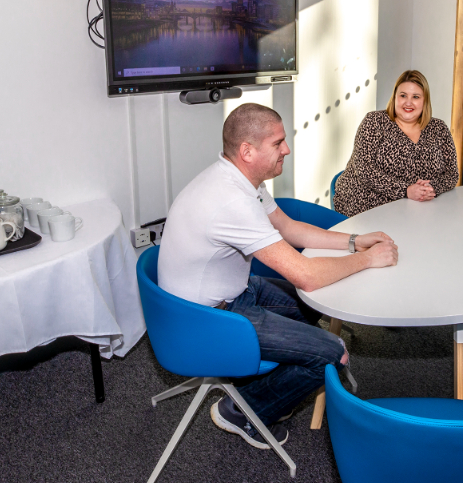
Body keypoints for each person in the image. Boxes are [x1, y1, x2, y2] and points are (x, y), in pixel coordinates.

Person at [158, 103, 398, 449]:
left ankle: (270, 384)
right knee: (333, 352)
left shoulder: (240, 178)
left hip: (228, 291)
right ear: (247, 151)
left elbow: (288, 228)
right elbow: (307, 275)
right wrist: (368, 260)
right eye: (278, 143)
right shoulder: (230, 201)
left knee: (312, 307)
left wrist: (354, 242)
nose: (286, 149)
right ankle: (242, 410)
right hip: (207, 319)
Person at [333, 70, 458, 217]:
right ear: (395, 97)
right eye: (403, 95)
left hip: (419, 208)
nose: (408, 102)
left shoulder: (439, 128)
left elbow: (451, 174)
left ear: (425, 101)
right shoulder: (374, 122)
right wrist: (406, 190)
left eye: (416, 97)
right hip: (366, 205)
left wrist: (431, 188)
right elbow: (364, 169)